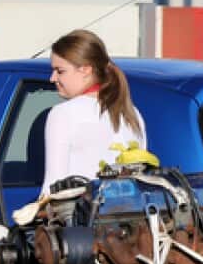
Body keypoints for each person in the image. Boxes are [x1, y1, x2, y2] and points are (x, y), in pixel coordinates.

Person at [40, 29, 147, 194]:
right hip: (126, 209)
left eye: (60, 71)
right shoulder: (132, 113)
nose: (52, 78)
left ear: (86, 70)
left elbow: (52, 189)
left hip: (82, 209)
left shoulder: (63, 114)